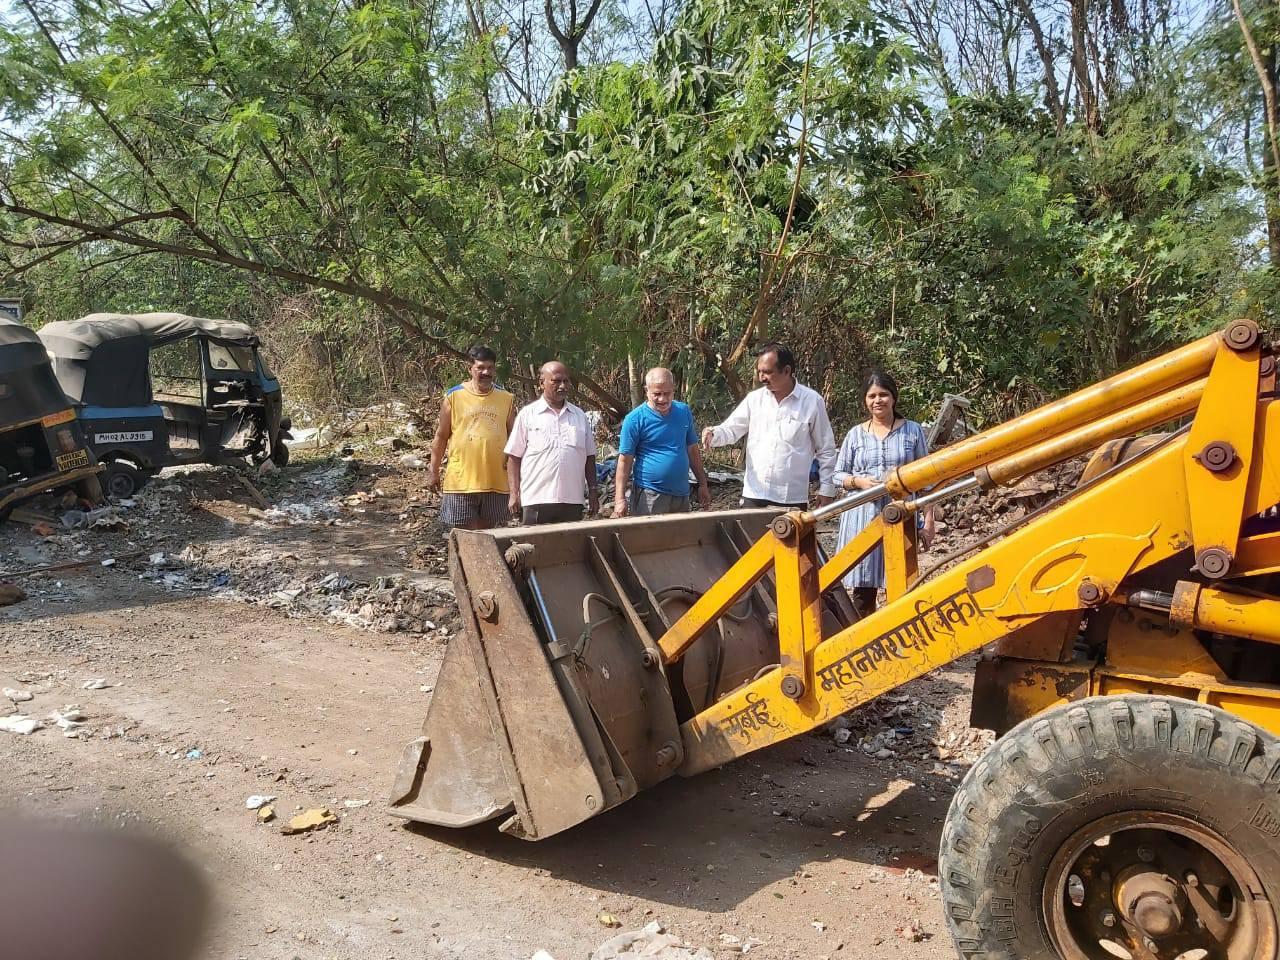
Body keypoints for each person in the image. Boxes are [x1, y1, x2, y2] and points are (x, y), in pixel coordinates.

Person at [833, 371, 935, 618]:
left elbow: (927, 479)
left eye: (883, 395)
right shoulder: (856, 434)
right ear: (865, 401)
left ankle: (901, 636)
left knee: (900, 579)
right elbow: (837, 475)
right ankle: (863, 642)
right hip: (862, 518)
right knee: (864, 585)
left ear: (893, 398)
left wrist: (929, 520)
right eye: (872, 396)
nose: (878, 400)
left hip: (901, 516)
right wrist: (858, 481)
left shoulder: (912, 431)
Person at [701, 342, 837, 509]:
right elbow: (731, 429)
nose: (761, 377)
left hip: (791, 498)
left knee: (790, 536)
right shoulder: (754, 400)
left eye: (767, 372)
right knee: (750, 536)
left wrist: (827, 489)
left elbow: (826, 449)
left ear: (787, 371)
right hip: (754, 495)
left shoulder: (811, 402)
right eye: (759, 371)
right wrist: (713, 434)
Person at [428, 345, 515, 530]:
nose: (486, 372)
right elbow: (441, 436)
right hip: (461, 480)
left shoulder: (506, 398)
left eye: (490, 368)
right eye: (480, 368)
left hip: (496, 479)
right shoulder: (454, 396)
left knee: (488, 533)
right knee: (464, 532)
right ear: (470, 369)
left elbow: (514, 438)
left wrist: (517, 478)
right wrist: (433, 471)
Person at [504, 360, 599, 524]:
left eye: (566, 381)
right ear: (542, 383)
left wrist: (592, 491)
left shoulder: (579, 416)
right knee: (534, 548)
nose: (562, 386)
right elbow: (513, 456)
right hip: (536, 500)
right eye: (556, 381)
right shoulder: (528, 415)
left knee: (570, 549)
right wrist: (514, 494)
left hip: (572, 501)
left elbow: (589, 457)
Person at [614, 367, 711, 516]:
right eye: (657, 394)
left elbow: (692, 450)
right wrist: (619, 498)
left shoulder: (683, 412)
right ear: (647, 390)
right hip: (650, 495)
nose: (663, 399)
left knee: (680, 538)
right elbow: (624, 461)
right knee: (649, 538)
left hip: (681, 495)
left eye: (667, 393)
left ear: (674, 389)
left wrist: (703, 484)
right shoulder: (635, 420)